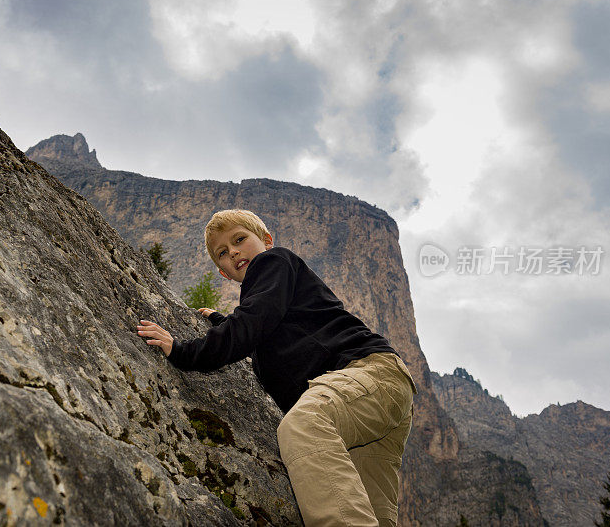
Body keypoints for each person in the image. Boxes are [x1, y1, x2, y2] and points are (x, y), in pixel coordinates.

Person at [136, 209, 417, 526]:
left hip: (365, 373)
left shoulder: (275, 261)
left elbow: (253, 323)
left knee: (304, 425)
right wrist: (220, 321)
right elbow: (261, 329)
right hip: (376, 400)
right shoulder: (273, 295)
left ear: (267, 241)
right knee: (372, 511)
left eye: (240, 239)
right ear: (224, 273)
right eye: (223, 254)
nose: (234, 252)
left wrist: (183, 351)